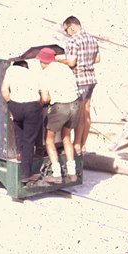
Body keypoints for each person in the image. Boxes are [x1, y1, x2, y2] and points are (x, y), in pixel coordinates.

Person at [56, 16, 100, 155]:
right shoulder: (91, 38)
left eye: (66, 30)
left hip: (79, 79)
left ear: (72, 26)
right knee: (86, 112)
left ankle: (76, 145)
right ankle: (83, 144)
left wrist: (59, 60)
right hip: (91, 78)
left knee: (80, 114)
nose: (67, 33)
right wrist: (86, 61)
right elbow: (97, 59)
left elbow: (71, 62)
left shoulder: (74, 40)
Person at [37, 47, 80, 183]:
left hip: (60, 107)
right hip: (74, 105)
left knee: (49, 139)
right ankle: (72, 172)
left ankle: (56, 174)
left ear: (43, 62)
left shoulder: (45, 74)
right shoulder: (65, 68)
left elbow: (45, 98)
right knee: (66, 137)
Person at [1, 59, 44, 184]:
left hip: (16, 105)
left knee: (18, 126)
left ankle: (19, 153)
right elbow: (42, 95)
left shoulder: (11, 70)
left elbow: (4, 90)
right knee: (29, 140)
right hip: (32, 106)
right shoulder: (34, 73)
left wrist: (11, 104)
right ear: (26, 66)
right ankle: (26, 174)